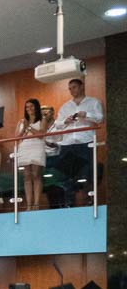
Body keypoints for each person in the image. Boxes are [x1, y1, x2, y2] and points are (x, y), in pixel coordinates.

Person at [53, 78, 104, 206]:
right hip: (67, 144)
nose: (72, 90)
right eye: (70, 89)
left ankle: (89, 201)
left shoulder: (93, 102)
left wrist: (86, 115)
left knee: (87, 173)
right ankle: (69, 203)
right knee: (67, 175)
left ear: (82, 87)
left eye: (74, 87)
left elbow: (100, 119)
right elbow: (57, 124)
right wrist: (66, 121)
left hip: (85, 142)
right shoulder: (65, 106)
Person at [15, 99, 47, 210]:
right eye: (27, 107)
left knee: (36, 174)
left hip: (37, 147)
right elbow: (17, 137)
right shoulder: (22, 121)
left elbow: (41, 134)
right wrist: (24, 128)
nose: (29, 109)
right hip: (24, 147)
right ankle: (29, 205)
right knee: (27, 176)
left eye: (31, 106)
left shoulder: (42, 119)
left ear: (36, 107)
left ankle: (36, 203)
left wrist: (29, 127)